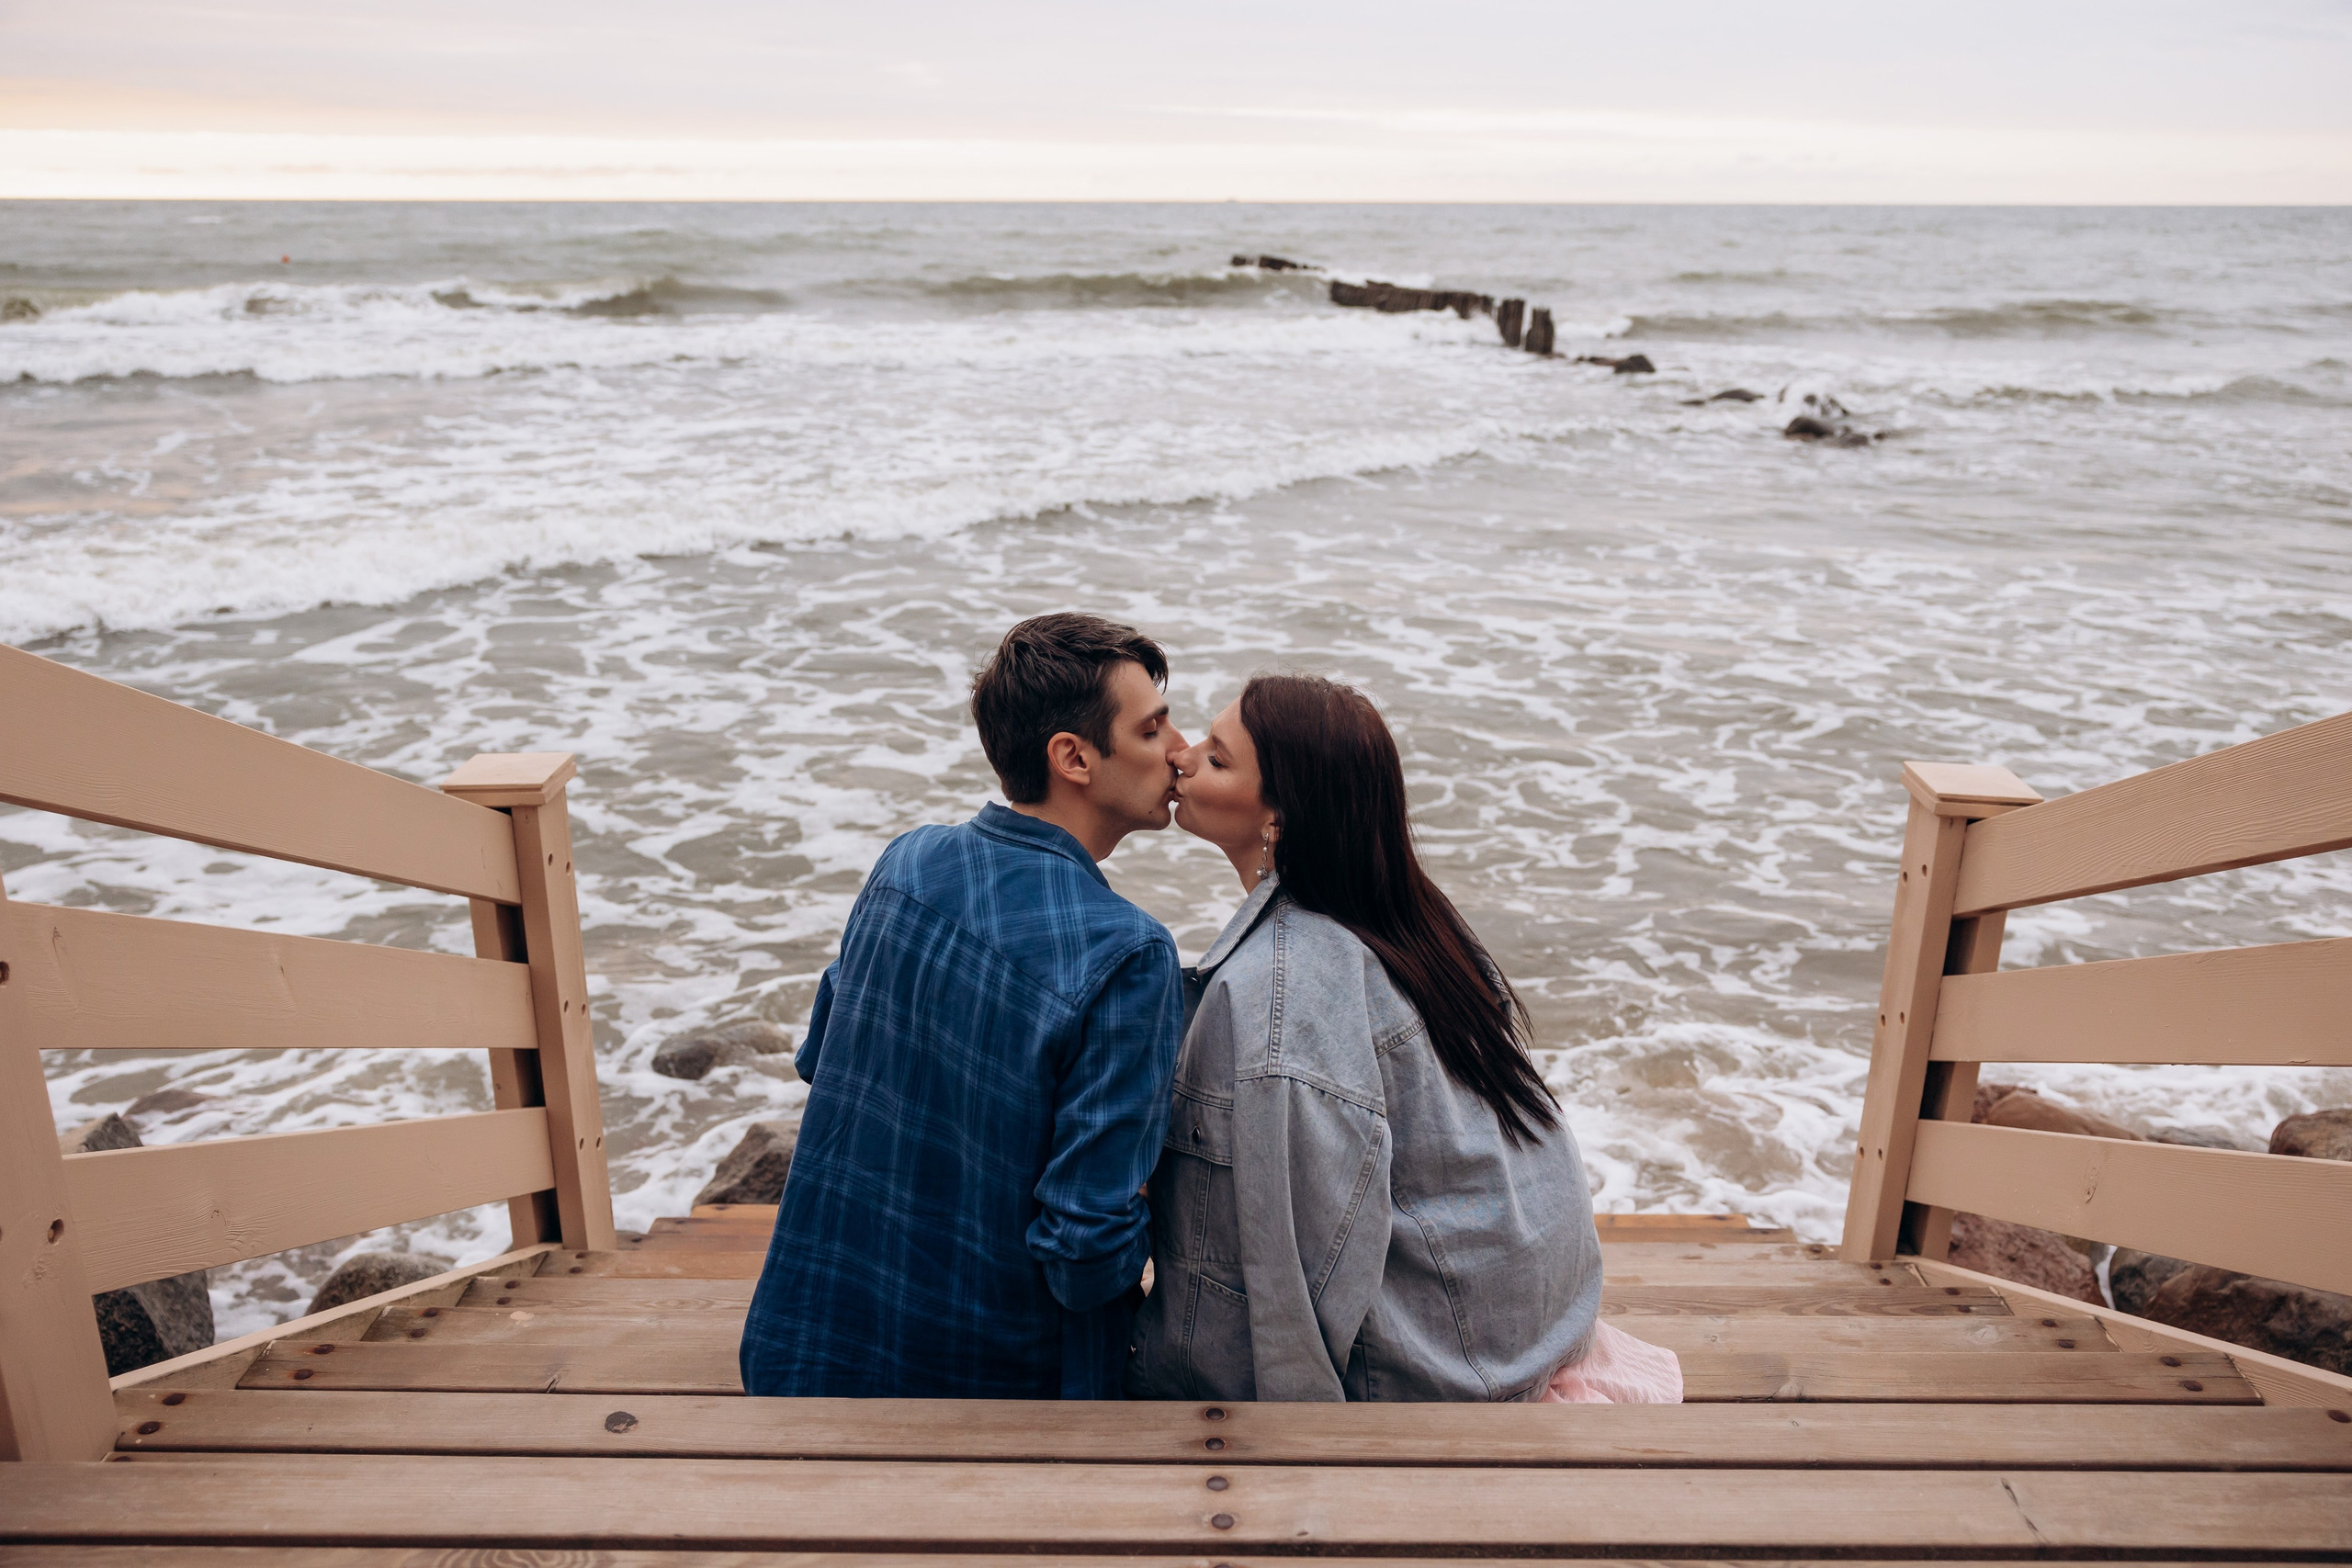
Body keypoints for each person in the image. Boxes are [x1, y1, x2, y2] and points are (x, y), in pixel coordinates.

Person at [1126, 673, 1674, 1403]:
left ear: (1279, 821)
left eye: (1218, 759)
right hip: (1537, 1319)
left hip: (1445, 1365)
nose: (1183, 757)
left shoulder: (1274, 995)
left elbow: (1296, 1269)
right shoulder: (1412, 917)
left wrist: (1303, 1451)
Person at [740, 613, 1187, 1399]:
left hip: (798, 1354)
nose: (1180, 749)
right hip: (990, 1406)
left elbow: (821, 1059)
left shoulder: (905, 861)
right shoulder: (1130, 952)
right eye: (1153, 729)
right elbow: (1083, 1256)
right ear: (1073, 756)